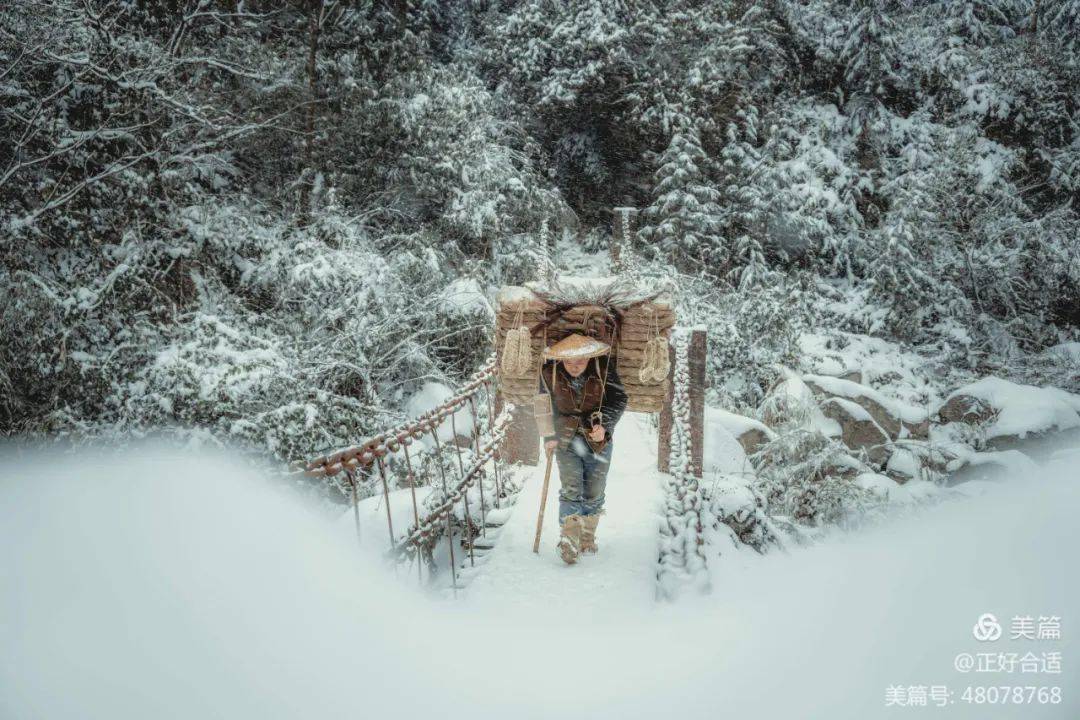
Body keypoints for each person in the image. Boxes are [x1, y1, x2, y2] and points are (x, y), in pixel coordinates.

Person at [538, 333, 628, 564]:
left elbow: (619, 399)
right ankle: (569, 539)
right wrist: (548, 436)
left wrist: (604, 426)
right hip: (565, 439)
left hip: (597, 440)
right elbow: (542, 403)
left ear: (590, 357)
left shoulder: (603, 368)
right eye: (568, 361)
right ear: (560, 359)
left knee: (595, 489)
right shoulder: (550, 372)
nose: (574, 366)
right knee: (571, 486)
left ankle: (587, 537)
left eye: (580, 361)